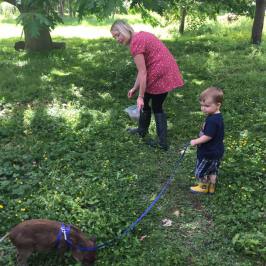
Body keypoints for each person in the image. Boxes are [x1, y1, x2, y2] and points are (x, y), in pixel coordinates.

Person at [110, 20, 184, 150]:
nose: (117, 39)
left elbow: (143, 72)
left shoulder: (135, 44)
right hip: (162, 69)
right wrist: (135, 88)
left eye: (118, 35)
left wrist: (139, 95)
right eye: (114, 37)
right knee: (145, 101)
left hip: (161, 73)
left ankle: (162, 143)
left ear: (125, 30)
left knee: (156, 106)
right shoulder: (139, 36)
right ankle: (142, 130)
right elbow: (143, 69)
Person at [190, 87, 224, 194]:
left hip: (208, 152)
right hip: (217, 151)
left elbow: (207, 136)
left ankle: (203, 187)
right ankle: (212, 187)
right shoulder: (217, 116)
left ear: (218, 105)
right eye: (202, 105)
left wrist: (196, 141)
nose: (203, 108)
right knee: (213, 170)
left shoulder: (212, 120)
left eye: (207, 106)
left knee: (201, 171)